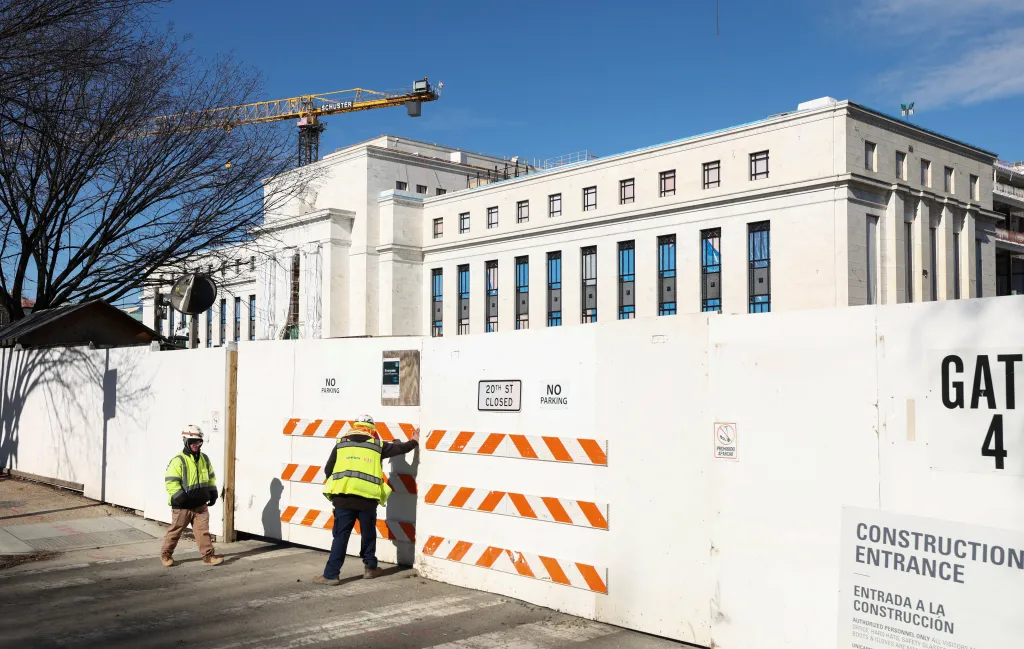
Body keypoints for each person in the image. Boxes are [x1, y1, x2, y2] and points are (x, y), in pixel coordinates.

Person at [313, 414, 419, 585]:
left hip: (343, 499)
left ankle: (331, 575)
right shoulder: (377, 446)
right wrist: (414, 441)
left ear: (355, 426)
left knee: (340, 536)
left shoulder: (341, 444)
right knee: (368, 533)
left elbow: (328, 470)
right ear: (371, 429)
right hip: (367, 500)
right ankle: (370, 568)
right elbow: (400, 449)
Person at [161, 425, 224, 567]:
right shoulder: (178, 460)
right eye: (193, 442)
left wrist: (212, 492)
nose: (196, 445)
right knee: (175, 531)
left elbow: (210, 478)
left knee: (203, 532)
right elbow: (171, 482)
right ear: (186, 442)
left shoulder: (204, 459)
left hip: (200, 505)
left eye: (199, 442)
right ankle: (166, 555)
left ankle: (208, 557)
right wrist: (181, 498)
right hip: (182, 506)